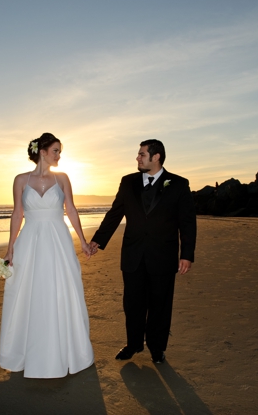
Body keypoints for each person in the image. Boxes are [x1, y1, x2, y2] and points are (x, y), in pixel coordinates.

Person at [90, 139, 196, 364]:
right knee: (133, 304)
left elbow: (187, 222)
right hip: (133, 255)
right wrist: (98, 241)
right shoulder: (128, 182)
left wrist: (186, 254)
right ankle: (134, 344)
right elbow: (115, 213)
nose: (137, 158)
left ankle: (157, 348)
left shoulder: (178, 184)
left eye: (141, 154)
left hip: (163, 256)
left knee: (160, 304)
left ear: (156, 157)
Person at [0, 132, 94, 378]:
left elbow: (71, 210)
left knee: (62, 289)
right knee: (27, 291)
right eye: (55, 151)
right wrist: (10, 248)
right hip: (30, 240)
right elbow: (17, 214)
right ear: (42, 152)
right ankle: (26, 352)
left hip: (58, 241)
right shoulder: (20, 179)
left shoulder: (62, 178)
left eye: (60, 151)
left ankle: (67, 352)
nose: (59, 155)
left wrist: (83, 242)